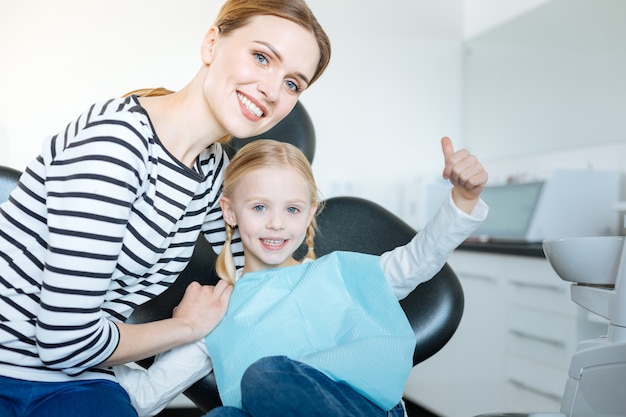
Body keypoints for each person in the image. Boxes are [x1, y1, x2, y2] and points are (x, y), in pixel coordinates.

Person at [0, 1, 331, 416]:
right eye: (261, 57)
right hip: (13, 365)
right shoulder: (116, 147)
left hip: (82, 378)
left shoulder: (212, 171)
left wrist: (341, 306)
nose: (271, 90)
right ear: (212, 44)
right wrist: (186, 327)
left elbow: (261, 266)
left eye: (292, 84)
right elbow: (63, 341)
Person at [114, 137, 488, 417]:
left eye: (292, 209)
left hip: (362, 410)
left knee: (266, 375)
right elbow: (148, 394)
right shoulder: (214, 312)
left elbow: (420, 259)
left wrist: (464, 200)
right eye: (259, 207)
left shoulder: (340, 273)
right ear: (230, 212)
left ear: (310, 214)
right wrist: (72, 357)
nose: (276, 223)